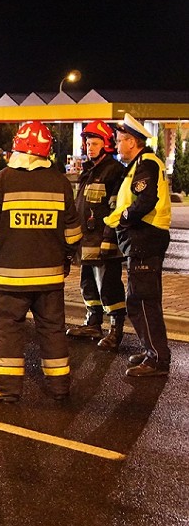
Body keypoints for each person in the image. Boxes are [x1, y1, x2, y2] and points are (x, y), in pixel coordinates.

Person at [0, 121, 82, 402]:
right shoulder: (59, 181)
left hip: (11, 277)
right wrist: (66, 258)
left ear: (17, 145)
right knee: (52, 329)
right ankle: (59, 386)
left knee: (9, 329)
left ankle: (8, 388)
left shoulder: (3, 180)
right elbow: (73, 233)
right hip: (49, 277)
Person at [104, 113, 172, 377]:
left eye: (120, 141)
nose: (117, 146)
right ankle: (151, 351)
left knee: (142, 301)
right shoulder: (142, 164)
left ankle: (157, 358)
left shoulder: (145, 164)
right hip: (145, 239)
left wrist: (122, 218)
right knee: (140, 299)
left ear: (132, 141)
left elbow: (145, 201)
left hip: (145, 238)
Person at [65, 121, 127, 350]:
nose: (89, 147)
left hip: (104, 243)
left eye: (95, 143)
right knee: (87, 284)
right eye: (88, 143)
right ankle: (93, 323)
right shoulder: (90, 170)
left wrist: (110, 240)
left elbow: (114, 210)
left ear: (107, 144)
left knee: (108, 286)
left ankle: (115, 329)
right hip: (87, 242)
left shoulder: (114, 171)